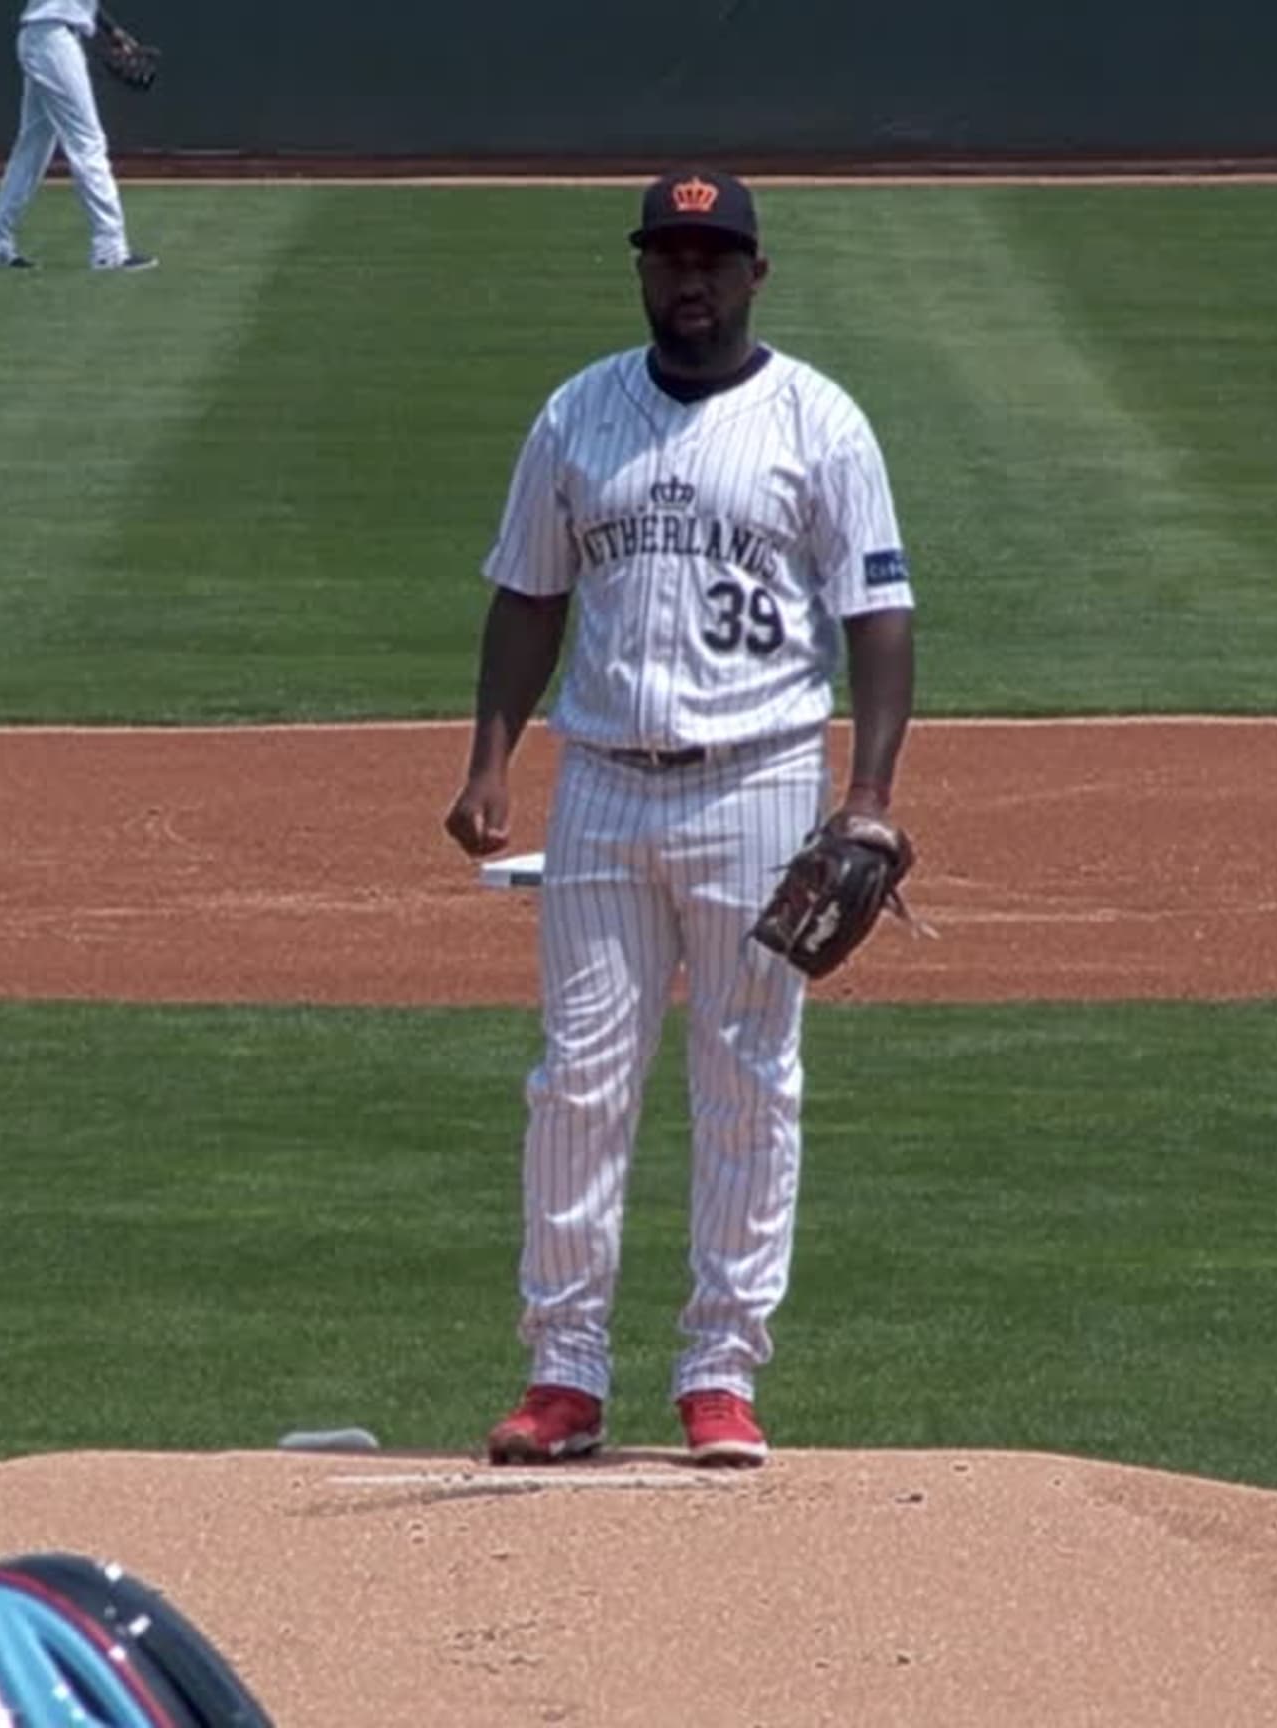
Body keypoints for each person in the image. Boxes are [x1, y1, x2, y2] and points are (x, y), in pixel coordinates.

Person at [443, 167, 917, 1470]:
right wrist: (489, 759)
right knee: (579, 1080)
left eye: (714, 256)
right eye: (669, 254)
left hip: (761, 776)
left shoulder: (818, 423)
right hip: (599, 780)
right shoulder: (575, 417)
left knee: (748, 1080)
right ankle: (564, 1372)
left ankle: (719, 1372)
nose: (691, 277)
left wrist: (866, 798)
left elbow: (879, 616)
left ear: (755, 272)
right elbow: (526, 596)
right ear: (642, 267)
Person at [0, 2, 158, 272]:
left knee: (34, 147)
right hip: (53, 39)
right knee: (87, 142)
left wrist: (112, 30)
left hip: (47, 36)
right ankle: (110, 250)